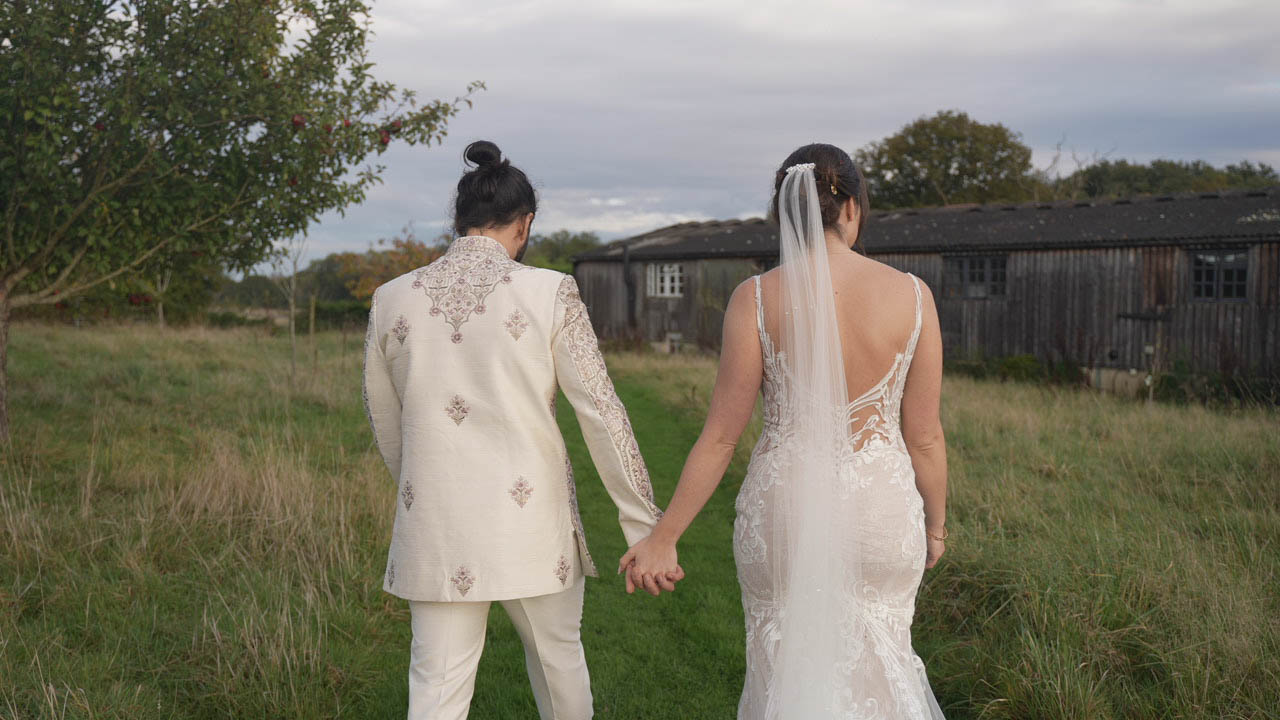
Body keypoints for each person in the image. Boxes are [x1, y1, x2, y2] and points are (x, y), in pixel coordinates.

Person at [620, 143, 949, 718]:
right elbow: (925, 436)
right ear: (850, 206)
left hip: (786, 510)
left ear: (787, 212)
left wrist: (664, 535)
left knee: (784, 675)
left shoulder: (755, 297)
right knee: (881, 670)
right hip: (882, 511)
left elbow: (722, 435)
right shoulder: (913, 296)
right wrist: (937, 527)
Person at [363, 140, 673, 720]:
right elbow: (602, 413)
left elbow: (385, 419)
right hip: (530, 521)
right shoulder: (550, 292)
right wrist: (641, 526)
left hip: (434, 521)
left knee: (435, 685)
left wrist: (421, 486)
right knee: (558, 665)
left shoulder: (389, 299)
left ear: (458, 221)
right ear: (525, 223)